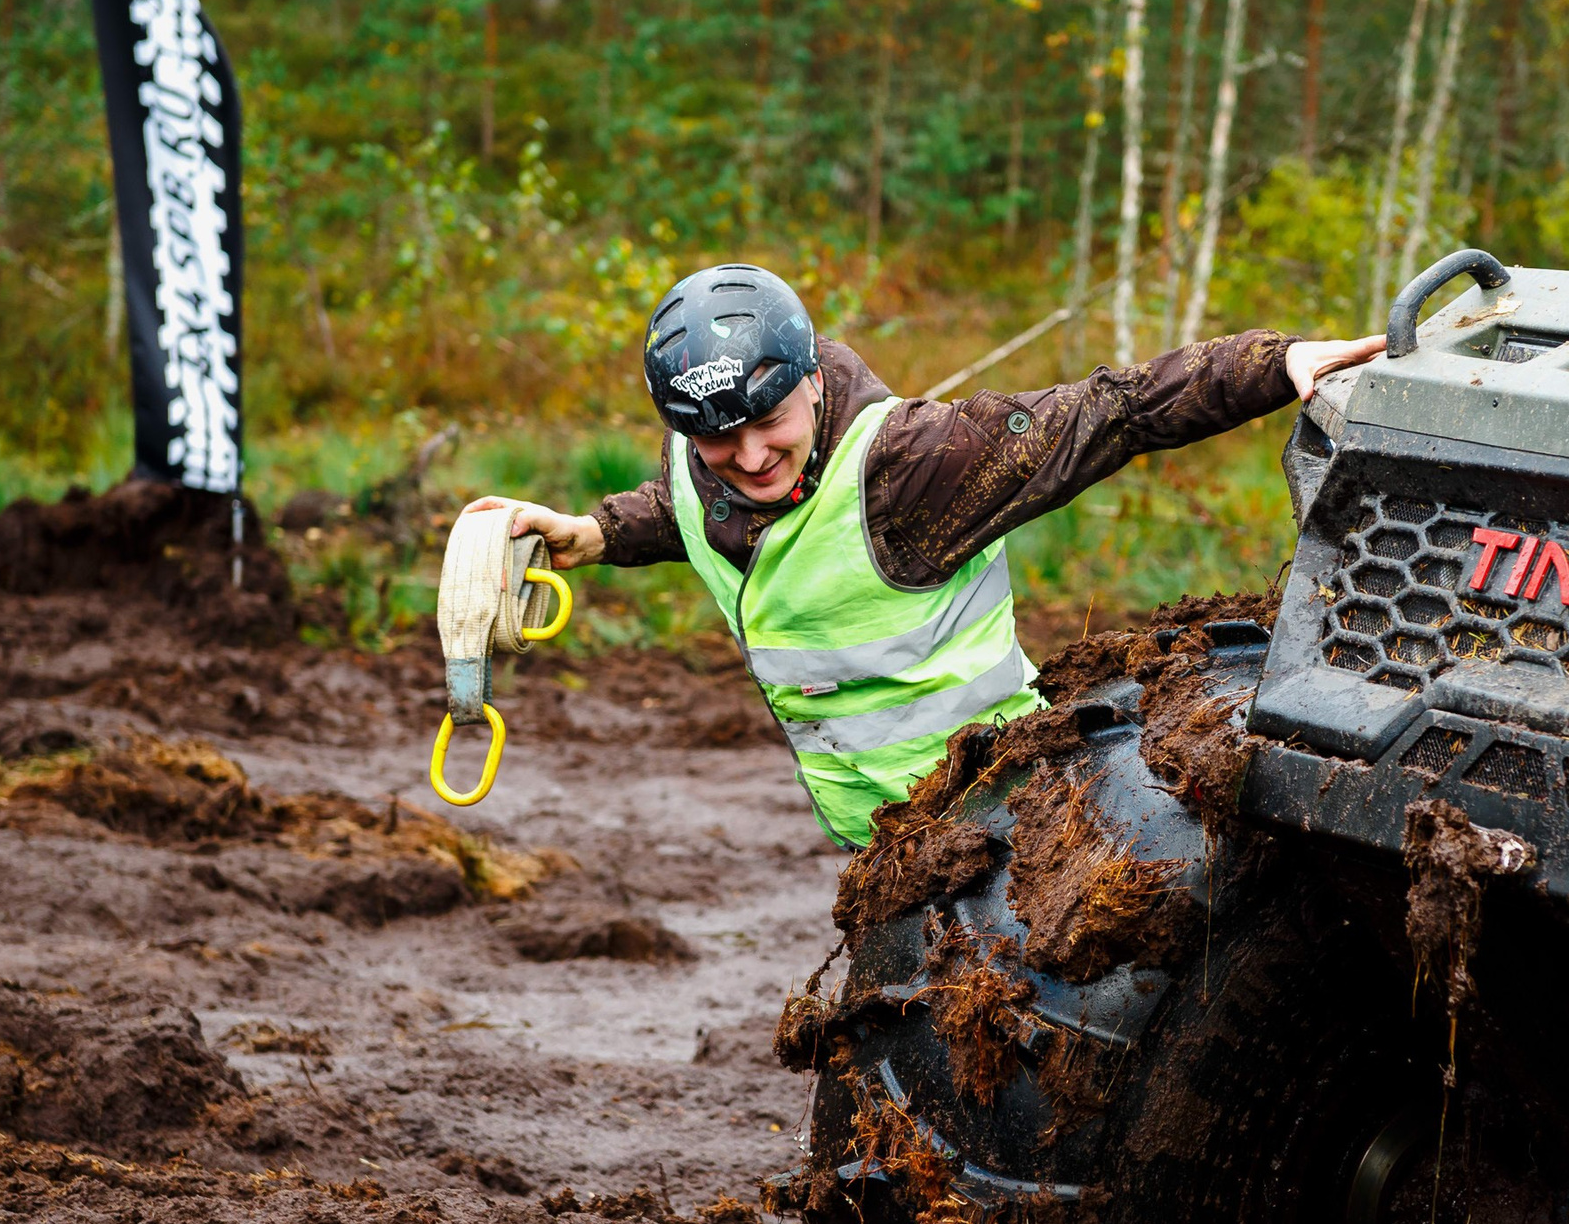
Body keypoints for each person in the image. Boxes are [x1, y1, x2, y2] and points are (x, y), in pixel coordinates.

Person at [463, 262, 1384, 847]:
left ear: (813, 381)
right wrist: (596, 534)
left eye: (769, 424)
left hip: (1000, 825)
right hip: (878, 837)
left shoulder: (916, 467)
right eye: (719, 438)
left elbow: (1116, 409)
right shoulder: (705, 459)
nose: (748, 458)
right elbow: (693, 505)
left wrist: (1279, 361)